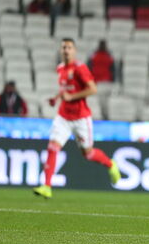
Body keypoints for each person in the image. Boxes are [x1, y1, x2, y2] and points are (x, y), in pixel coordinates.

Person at [33, 38, 121, 199]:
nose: (66, 50)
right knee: (53, 147)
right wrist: (56, 98)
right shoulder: (60, 69)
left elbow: (92, 89)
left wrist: (71, 96)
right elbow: (65, 89)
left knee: (88, 153)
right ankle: (46, 186)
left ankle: (111, 164)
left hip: (81, 118)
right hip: (63, 117)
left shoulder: (80, 68)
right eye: (64, 47)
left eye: (69, 47)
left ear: (74, 51)